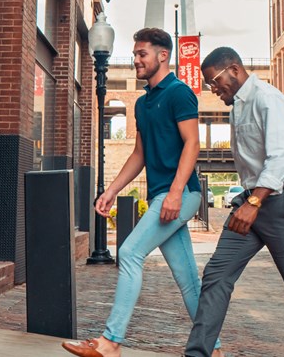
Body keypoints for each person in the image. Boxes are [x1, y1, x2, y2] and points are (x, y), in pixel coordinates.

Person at [62, 28, 223, 357]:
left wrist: (176, 193)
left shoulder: (179, 93)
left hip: (181, 194)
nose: (135, 60)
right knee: (188, 279)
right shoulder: (144, 103)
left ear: (163, 55)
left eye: (141, 54)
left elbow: (192, 143)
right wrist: (111, 191)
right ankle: (214, 350)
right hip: (163, 196)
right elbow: (139, 154)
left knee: (131, 253)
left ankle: (110, 342)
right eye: (135, 54)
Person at [184, 47, 284, 357]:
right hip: (251, 203)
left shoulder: (268, 99)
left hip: (282, 204)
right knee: (216, 275)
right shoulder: (237, 106)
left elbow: (281, 158)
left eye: (214, 81)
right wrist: (248, 202)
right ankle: (197, 353)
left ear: (234, 70)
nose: (213, 90)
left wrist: (252, 202)